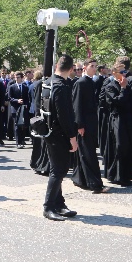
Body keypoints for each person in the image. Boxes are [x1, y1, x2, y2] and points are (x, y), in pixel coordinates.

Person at [42, 55, 79, 221]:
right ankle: (49, 206)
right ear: (71, 69)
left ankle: (59, 203)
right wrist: (72, 136)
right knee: (58, 171)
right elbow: (64, 115)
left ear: (57, 65)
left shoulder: (48, 82)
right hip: (59, 133)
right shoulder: (61, 86)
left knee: (57, 169)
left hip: (48, 131)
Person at [105, 62, 132, 187]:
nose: (124, 74)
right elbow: (118, 102)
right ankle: (117, 175)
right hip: (117, 118)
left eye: (125, 72)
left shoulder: (127, 85)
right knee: (120, 145)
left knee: (128, 146)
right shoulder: (110, 86)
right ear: (115, 73)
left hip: (128, 118)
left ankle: (127, 174)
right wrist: (123, 89)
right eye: (121, 72)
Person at [71, 58, 106, 193]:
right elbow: (77, 105)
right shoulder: (81, 83)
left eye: (96, 66)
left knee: (85, 152)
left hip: (91, 122)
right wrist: (79, 124)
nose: (94, 68)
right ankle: (95, 184)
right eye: (92, 66)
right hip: (84, 124)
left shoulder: (91, 81)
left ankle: (80, 179)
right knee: (89, 154)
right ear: (85, 67)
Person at [6, 71, 30, 149]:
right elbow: (10, 98)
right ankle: (18, 142)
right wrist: (17, 101)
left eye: (18, 77)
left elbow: (27, 98)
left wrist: (25, 104)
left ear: (22, 78)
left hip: (23, 108)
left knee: (23, 125)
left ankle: (22, 139)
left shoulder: (25, 87)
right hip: (15, 108)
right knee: (16, 125)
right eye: (15, 77)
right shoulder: (12, 87)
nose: (16, 78)